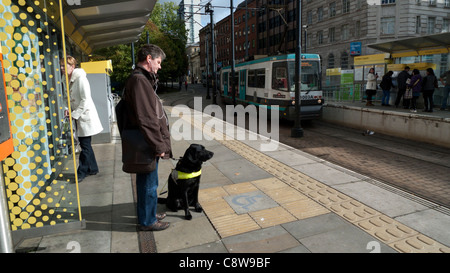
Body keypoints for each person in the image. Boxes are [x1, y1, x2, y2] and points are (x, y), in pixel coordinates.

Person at [122, 44, 172, 231]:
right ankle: (148, 221)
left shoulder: (140, 79)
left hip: (144, 141)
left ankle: (148, 214)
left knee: (147, 182)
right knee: (149, 184)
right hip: (146, 143)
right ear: (149, 59)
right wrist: (159, 145)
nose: (160, 66)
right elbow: (147, 119)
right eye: (158, 62)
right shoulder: (140, 81)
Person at [61, 56, 103, 182]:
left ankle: (82, 172)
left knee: (85, 145)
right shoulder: (65, 78)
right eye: (61, 66)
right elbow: (65, 96)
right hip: (76, 115)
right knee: (86, 144)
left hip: (85, 116)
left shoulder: (81, 78)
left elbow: (86, 99)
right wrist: (66, 108)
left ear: (72, 66)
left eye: (64, 66)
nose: (62, 68)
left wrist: (74, 114)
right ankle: (93, 168)